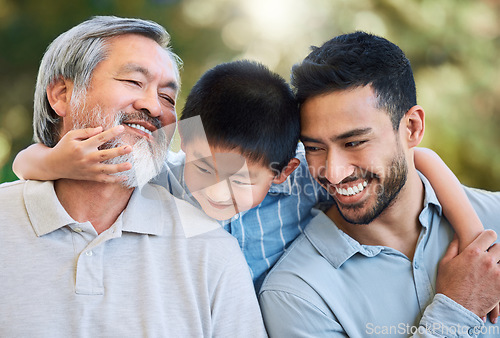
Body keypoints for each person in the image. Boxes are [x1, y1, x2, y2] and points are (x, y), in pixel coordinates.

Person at [13, 59, 488, 295]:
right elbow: (23, 164)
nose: (216, 192)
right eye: (204, 170)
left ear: (284, 171)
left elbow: (419, 158)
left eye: (240, 183)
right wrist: (57, 162)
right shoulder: (165, 177)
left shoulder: (303, 183)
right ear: (183, 140)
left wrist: (472, 235)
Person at [0, 16, 266, 337]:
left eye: (168, 97)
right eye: (133, 81)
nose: (154, 106)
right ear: (61, 94)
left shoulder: (212, 252)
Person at [258, 31, 500, 337]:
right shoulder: (298, 294)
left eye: (354, 142)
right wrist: (457, 308)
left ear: (412, 128)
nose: (333, 173)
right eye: (315, 148)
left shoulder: (494, 217)